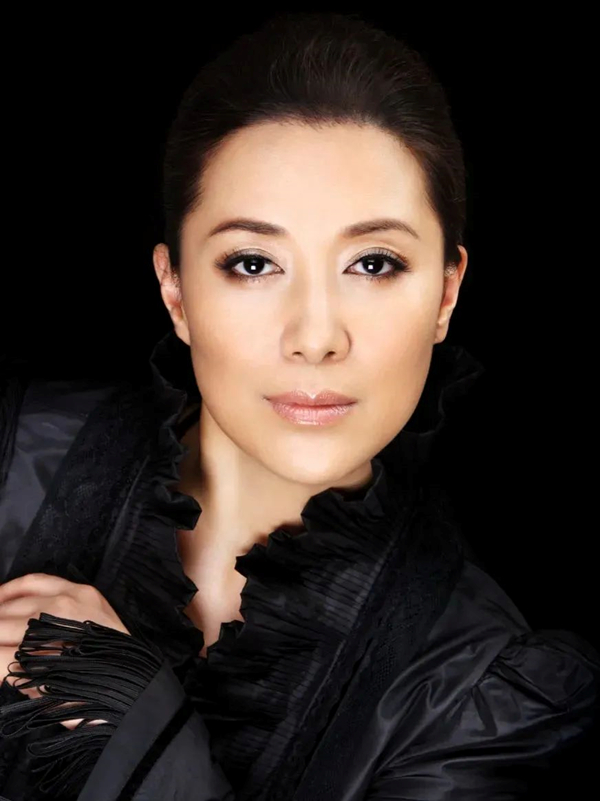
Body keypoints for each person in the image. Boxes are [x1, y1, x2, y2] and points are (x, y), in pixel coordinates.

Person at [0, 10, 598, 801]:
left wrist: (128, 719)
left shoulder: (478, 698)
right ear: (175, 291)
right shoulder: (12, 461)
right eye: (253, 263)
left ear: (447, 294)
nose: (315, 337)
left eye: (374, 263)